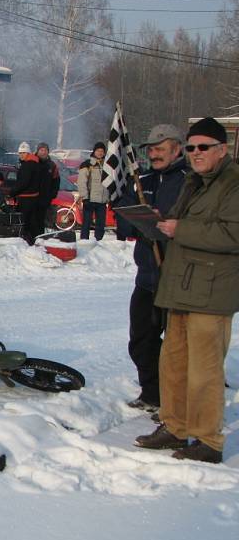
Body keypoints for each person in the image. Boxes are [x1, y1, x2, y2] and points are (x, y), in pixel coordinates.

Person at [135, 118, 239, 464]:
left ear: (221, 150)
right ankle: (175, 426)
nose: (195, 153)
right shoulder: (194, 183)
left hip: (210, 292)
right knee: (173, 364)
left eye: (203, 147)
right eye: (192, 147)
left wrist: (182, 229)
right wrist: (156, 222)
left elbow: (232, 234)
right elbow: (180, 226)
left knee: (205, 371)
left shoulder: (233, 183)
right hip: (179, 286)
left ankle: (208, 439)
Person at [117, 124, 187, 412]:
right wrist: (139, 219)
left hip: (176, 277)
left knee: (177, 346)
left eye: (160, 148)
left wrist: (166, 222)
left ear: (177, 149)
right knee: (141, 339)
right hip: (146, 275)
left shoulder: (189, 182)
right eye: (151, 149)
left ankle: (175, 402)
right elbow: (122, 217)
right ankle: (151, 392)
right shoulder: (141, 179)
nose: (154, 154)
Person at [10, 141, 43, 244]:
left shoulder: (27, 165)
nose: (21, 155)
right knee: (33, 222)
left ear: (28, 153)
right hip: (34, 197)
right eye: (20, 153)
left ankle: (26, 243)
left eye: (23, 153)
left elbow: (23, 183)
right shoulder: (36, 163)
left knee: (25, 222)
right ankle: (36, 240)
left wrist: (12, 192)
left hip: (26, 198)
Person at [77, 141, 108, 240]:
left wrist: (109, 197)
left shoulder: (107, 166)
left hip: (102, 200)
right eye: (98, 150)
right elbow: (82, 182)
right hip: (90, 199)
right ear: (94, 151)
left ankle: (98, 243)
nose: (100, 153)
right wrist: (84, 197)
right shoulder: (87, 164)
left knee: (101, 224)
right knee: (86, 223)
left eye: (102, 151)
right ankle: (84, 241)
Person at [36, 142, 60, 232]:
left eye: (45, 150)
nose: (43, 152)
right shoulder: (33, 162)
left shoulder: (52, 165)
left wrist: (53, 193)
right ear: (37, 151)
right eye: (41, 150)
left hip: (46, 197)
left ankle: (43, 237)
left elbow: (56, 180)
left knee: (44, 220)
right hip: (32, 196)